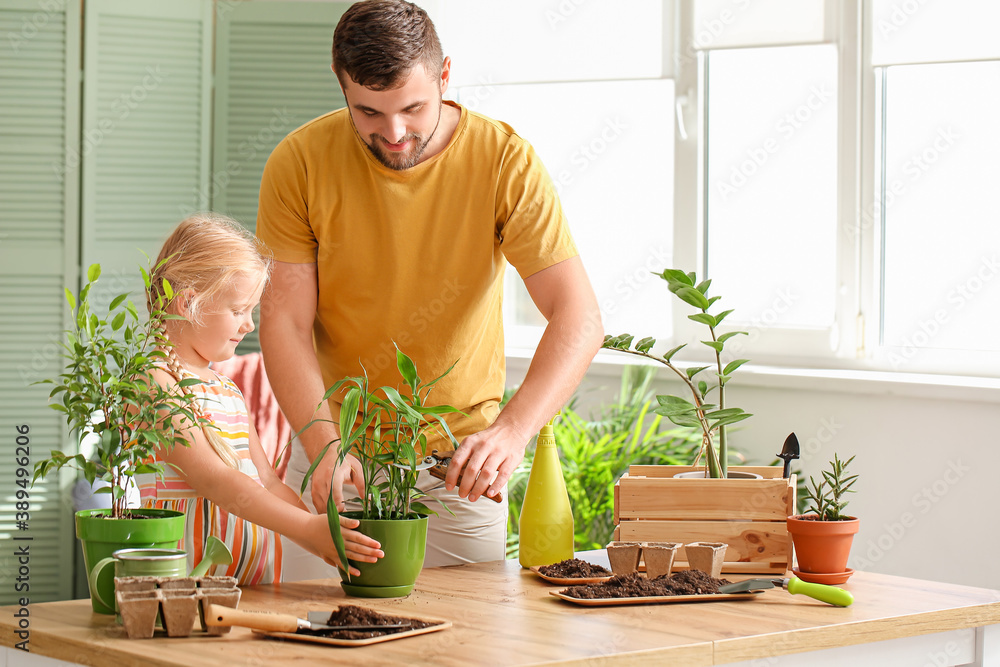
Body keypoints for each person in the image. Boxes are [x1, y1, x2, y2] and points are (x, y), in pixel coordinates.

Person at [256, 0, 603, 579]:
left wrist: (513, 430)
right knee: (312, 644)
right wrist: (321, 444)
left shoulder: (503, 161)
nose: (393, 134)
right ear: (342, 88)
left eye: (413, 108)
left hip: (456, 471)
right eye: (368, 112)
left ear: (444, 76)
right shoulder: (299, 162)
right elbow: (286, 322)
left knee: (464, 651)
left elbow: (579, 316)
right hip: (335, 458)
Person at [136, 213, 383, 584]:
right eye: (238, 310)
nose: (249, 324)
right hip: (183, 587)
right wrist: (304, 528)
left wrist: (318, 532)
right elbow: (216, 480)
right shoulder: (154, 381)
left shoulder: (225, 390)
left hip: (250, 583)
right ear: (188, 303)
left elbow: (267, 481)